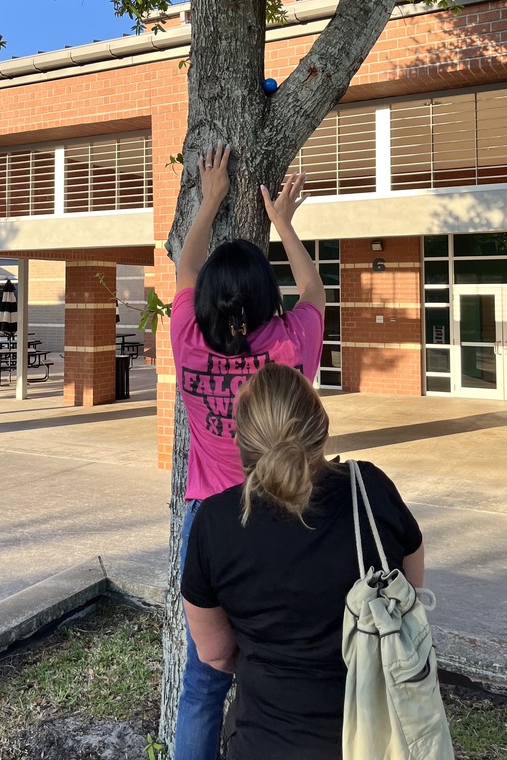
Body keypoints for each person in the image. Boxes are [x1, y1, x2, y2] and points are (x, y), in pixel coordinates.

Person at [180, 362, 424, 760]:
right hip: (381, 738)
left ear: (241, 442)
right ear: (321, 427)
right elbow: (411, 588)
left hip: (264, 741)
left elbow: (215, 653)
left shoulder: (216, 521)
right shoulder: (370, 489)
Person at [171, 140, 326, 760]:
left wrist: (209, 199)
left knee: (204, 681)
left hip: (209, 527)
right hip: (282, 520)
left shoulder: (186, 336)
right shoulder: (289, 346)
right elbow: (313, 289)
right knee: (280, 666)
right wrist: (282, 222)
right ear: (266, 298)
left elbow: (186, 268)